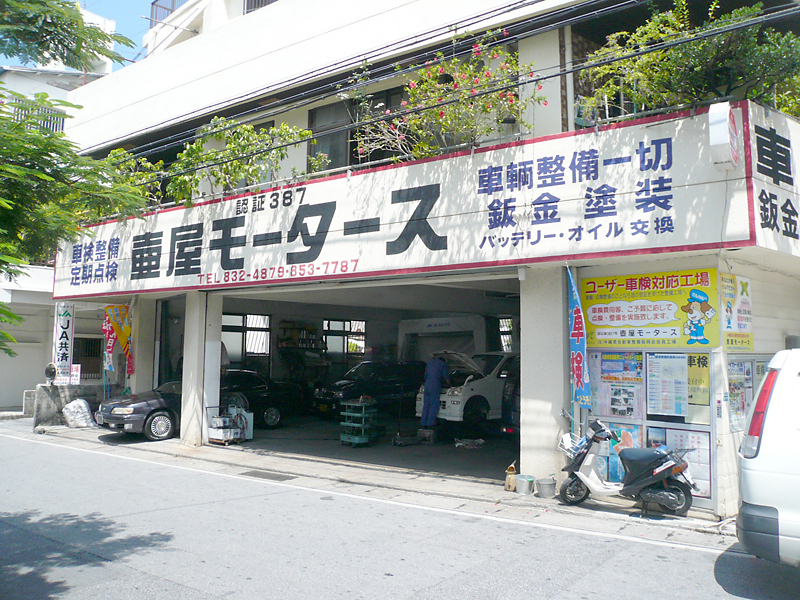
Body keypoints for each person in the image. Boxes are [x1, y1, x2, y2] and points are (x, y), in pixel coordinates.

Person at [421, 355, 449, 428]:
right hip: (435, 385)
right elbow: (446, 377)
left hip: (427, 385)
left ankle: (423, 423)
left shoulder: (429, 363)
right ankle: (430, 424)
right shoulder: (442, 364)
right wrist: (449, 383)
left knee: (426, 405)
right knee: (434, 405)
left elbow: (425, 376)